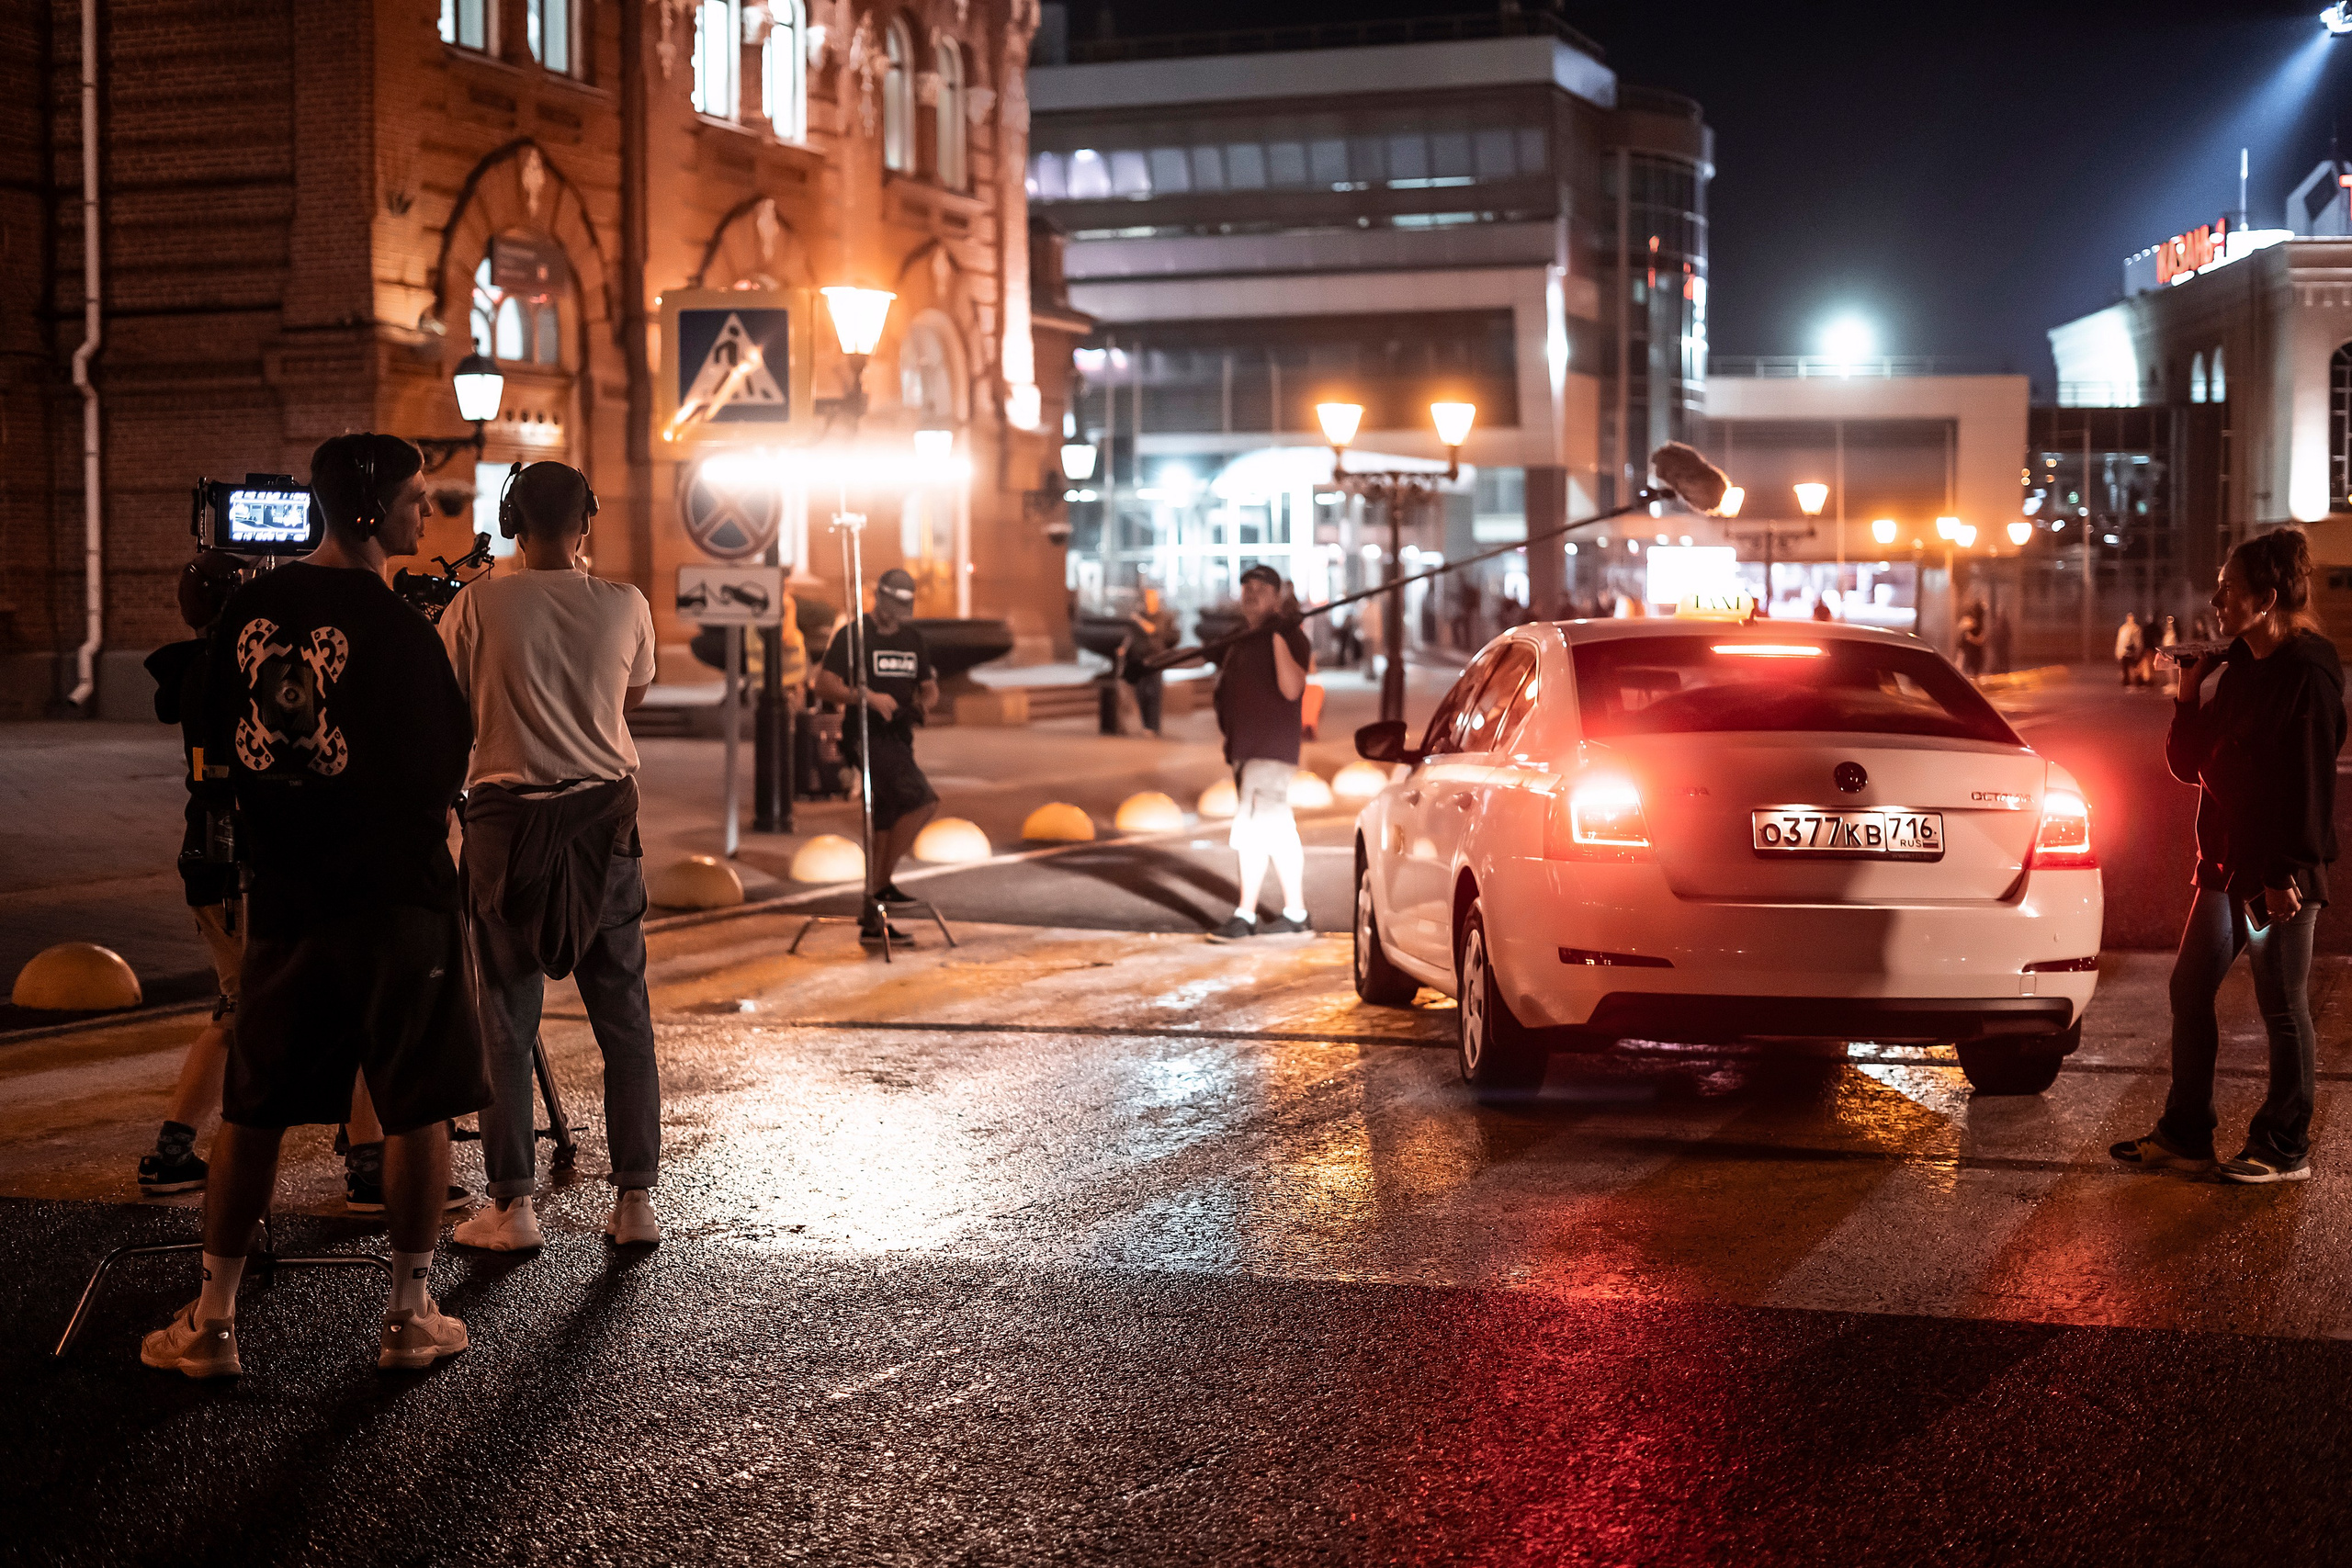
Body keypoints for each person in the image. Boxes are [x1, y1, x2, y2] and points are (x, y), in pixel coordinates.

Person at [141, 434, 488, 1379]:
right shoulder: (401, 632)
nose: (430, 512)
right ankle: (409, 1316)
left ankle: (212, 1322)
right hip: (396, 900)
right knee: (415, 1101)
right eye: (419, 497)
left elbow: (211, 732)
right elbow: (440, 765)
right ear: (375, 511)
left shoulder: (254, 606)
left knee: (254, 1105)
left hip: (288, 892)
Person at [440, 461, 662, 1253]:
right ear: (587, 522)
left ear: (510, 522)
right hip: (605, 830)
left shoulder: (475, 605)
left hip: (508, 831)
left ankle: (514, 1206)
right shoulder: (625, 605)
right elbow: (629, 696)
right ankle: (634, 1199)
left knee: (505, 1020)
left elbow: (452, 705)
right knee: (624, 1016)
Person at [2114, 529, 2345, 1184]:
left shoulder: (2307, 672)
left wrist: (2281, 874)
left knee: (2281, 1002)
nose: (2216, 598)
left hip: (2277, 875)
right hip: (2224, 865)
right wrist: (2189, 690)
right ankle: (2186, 1132)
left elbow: (2308, 784)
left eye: (2229, 588)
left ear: (2266, 598)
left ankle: (2284, 1144)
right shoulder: (2240, 668)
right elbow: (2188, 764)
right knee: (2189, 988)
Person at [134, 550, 249, 1195]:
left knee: (234, 1010)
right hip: (236, 867)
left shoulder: (198, 669)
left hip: (209, 862)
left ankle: (172, 1151)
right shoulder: (227, 675)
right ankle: (369, 1163)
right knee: (262, 1007)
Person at [812, 567, 940, 946]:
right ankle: (882, 884)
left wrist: (924, 704)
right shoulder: (854, 635)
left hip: (899, 735)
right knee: (922, 801)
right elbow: (825, 684)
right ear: (880, 599)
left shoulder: (913, 638)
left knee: (885, 817)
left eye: (905, 607)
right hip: (866, 735)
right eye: (894, 605)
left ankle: (874, 922)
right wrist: (867, 697)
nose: (899, 614)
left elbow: (930, 687)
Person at [1208, 563, 1311, 942]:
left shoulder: (1288, 635)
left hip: (1270, 752)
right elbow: (1203, 659)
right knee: (1276, 833)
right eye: (1246, 586)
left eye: (1261, 588)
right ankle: (1296, 914)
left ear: (1277, 596)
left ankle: (1245, 914)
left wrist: (1278, 635)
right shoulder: (1238, 638)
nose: (1252, 592)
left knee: (1253, 833)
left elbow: (1292, 688)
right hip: (1243, 750)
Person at [1117, 586, 1177, 737]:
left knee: (1154, 693)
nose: (1149, 602)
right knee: (1141, 692)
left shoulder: (1162, 617)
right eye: (1147, 599)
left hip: (1156, 660)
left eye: (1152, 598)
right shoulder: (1139, 615)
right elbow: (1129, 636)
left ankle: (1154, 726)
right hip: (1140, 659)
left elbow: (1153, 630)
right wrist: (1124, 649)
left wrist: (1138, 620)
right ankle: (1146, 726)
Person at [2115, 611, 2144, 686]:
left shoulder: (2136, 628)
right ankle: (2126, 682)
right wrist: (2118, 652)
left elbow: (2138, 640)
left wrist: (2138, 650)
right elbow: (2120, 641)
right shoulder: (2123, 628)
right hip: (2124, 651)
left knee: (2136, 668)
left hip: (2133, 651)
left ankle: (2138, 682)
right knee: (2125, 669)